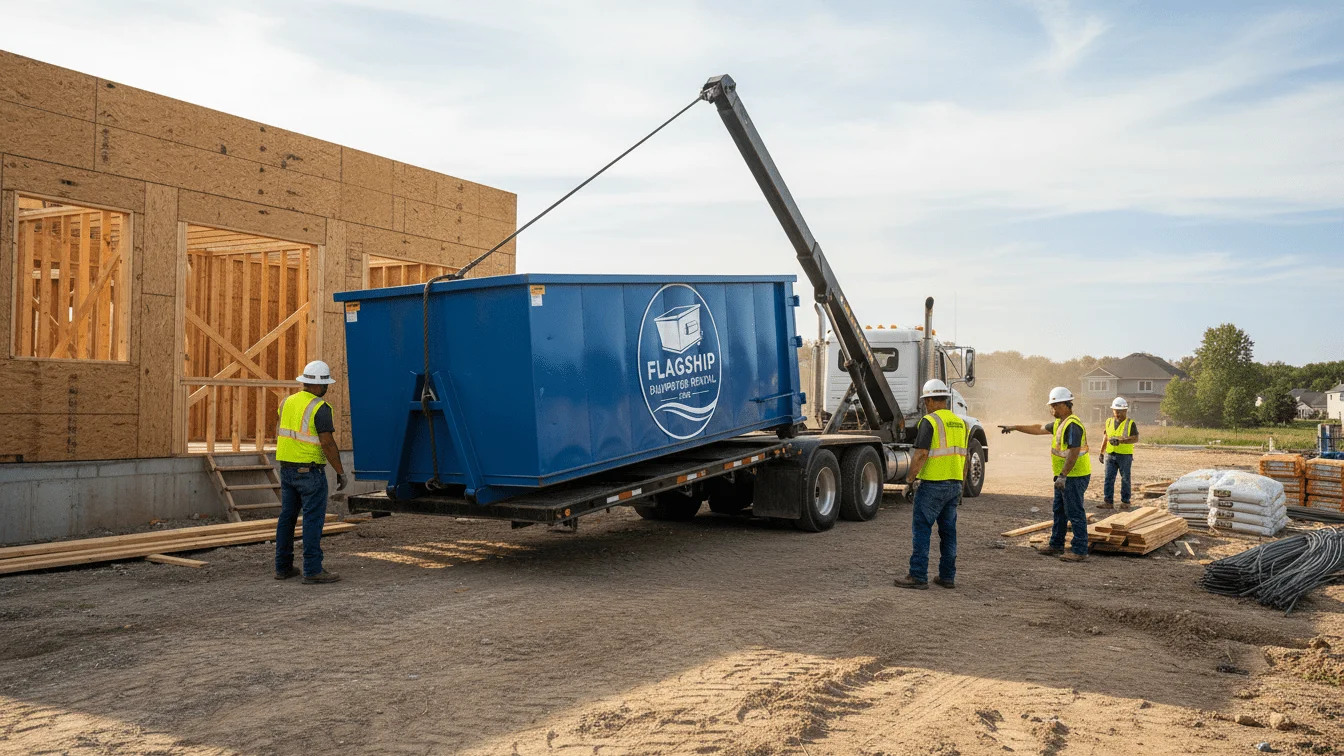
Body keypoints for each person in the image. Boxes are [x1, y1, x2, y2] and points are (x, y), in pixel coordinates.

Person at [274, 359, 348, 584]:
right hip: (309, 472)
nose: (327, 388)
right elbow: (327, 442)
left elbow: (281, 429)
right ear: (319, 385)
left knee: (287, 518)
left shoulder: (287, 402)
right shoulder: (320, 408)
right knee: (312, 520)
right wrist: (340, 471)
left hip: (286, 470)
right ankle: (313, 569)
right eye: (326, 384)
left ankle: (283, 567)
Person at [997, 386, 1092, 562]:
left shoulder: (1072, 425)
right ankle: (1056, 544)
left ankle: (1079, 550)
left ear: (1065, 405)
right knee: (1059, 510)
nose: (1052, 409)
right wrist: (1015, 427)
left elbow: (1073, 452)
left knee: (1074, 512)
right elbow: (1038, 428)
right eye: (1052, 406)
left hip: (1074, 476)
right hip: (1063, 476)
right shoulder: (1059, 423)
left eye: (1055, 406)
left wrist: (1063, 475)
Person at [894, 379, 967, 590]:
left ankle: (918, 575)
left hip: (933, 485)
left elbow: (921, 454)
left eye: (926, 401)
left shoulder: (930, 421)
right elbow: (964, 455)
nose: (926, 405)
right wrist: (960, 485)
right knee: (948, 532)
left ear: (929, 400)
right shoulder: (959, 422)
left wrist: (909, 481)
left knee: (922, 529)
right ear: (945, 399)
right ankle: (947, 577)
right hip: (954, 484)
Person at [1100, 397, 1138, 509]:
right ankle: (1108, 502)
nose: (1118, 414)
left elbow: (1135, 438)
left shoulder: (1130, 423)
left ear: (1126, 411)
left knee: (1125, 478)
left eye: (1120, 411)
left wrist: (1121, 441)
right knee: (1108, 478)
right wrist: (1101, 452)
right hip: (1110, 454)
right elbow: (1106, 437)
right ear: (1113, 410)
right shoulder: (1109, 421)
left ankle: (1125, 502)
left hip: (1125, 455)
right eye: (1116, 411)